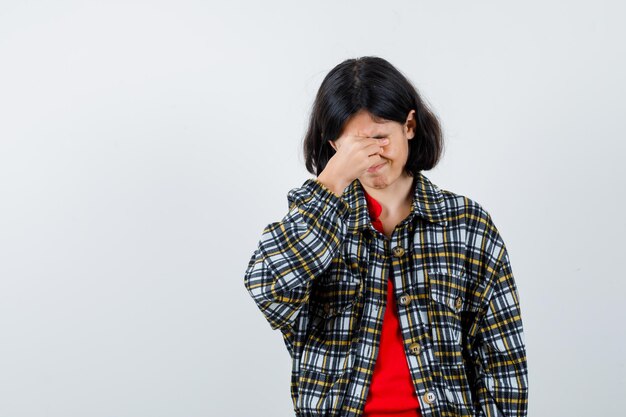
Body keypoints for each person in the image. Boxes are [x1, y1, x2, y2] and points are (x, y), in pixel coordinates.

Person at [244, 56, 528, 417]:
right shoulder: (315, 222)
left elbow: (501, 360)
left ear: (409, 126)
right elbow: (268, 290)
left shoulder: (466, 224)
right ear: (334, 147)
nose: (372, 156)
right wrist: (330, 184)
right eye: (354, 146)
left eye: (381, 138)